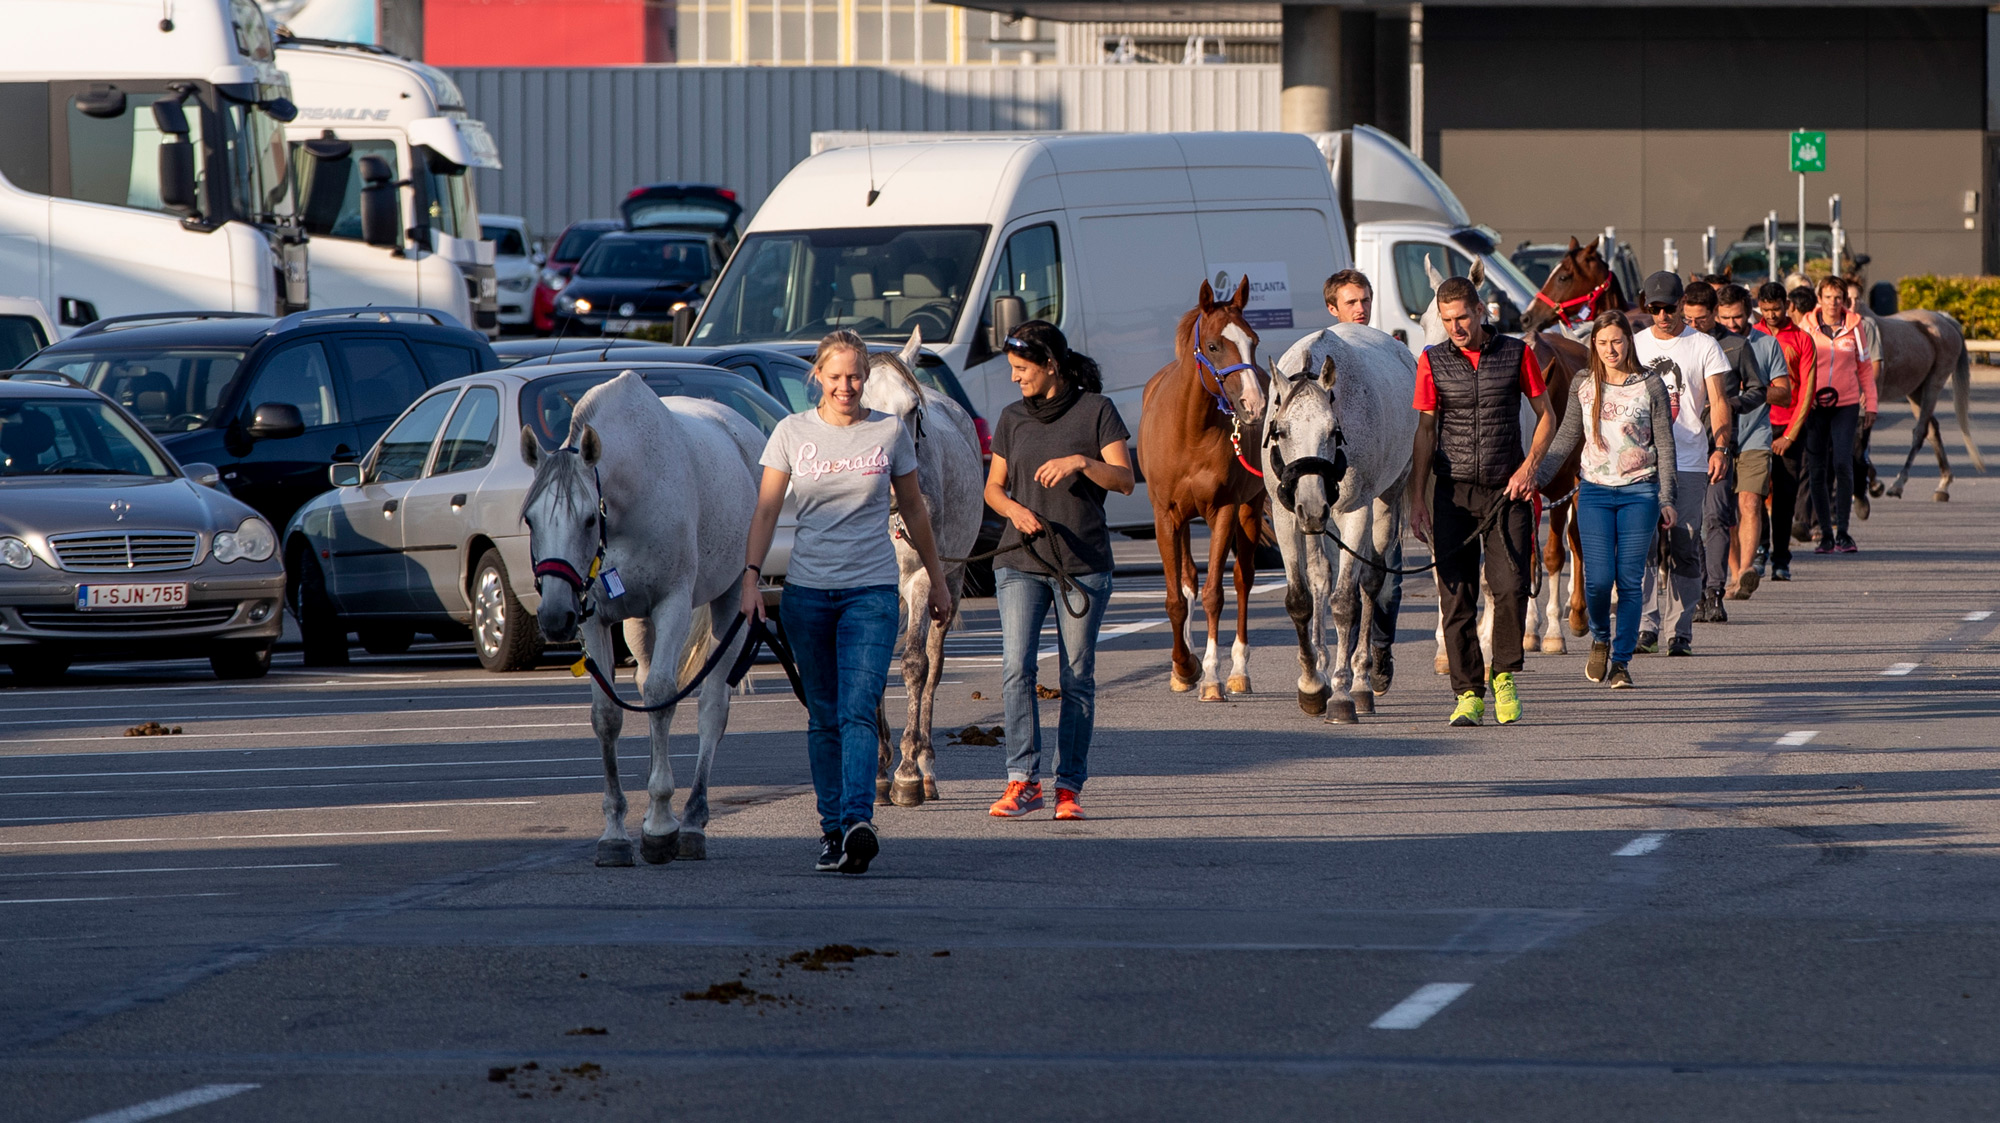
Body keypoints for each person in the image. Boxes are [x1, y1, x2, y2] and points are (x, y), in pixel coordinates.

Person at [742, 329, 953, 875]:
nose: (845, 386)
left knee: (859, 709)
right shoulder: (791, 432)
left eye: (854, 376)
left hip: (870, 593)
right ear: (817, 376)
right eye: (835, 377)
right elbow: (766, 511)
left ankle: (858, 822)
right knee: (824, 719)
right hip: (807, 596)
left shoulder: (887, 432)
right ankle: (831, 830)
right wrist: (749, 578)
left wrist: (939, 578)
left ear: (866, 375)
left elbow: (915, 509)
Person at [981, 320, 1134, 821]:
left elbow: (1126, 480)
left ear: (1050, 365)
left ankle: (1068, 787)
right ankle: (1022, 780)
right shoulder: (1010, 418)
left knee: (1077, 677)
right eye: (1012, 369)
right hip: (1019, 562)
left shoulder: (1097, 411)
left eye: (1021, 369)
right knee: (1015, 669)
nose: (1014, 378)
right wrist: (1012, 511)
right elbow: (994, 488)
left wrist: (1081, 463)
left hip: (1082, 565)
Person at [1408, 276, 1554, 726]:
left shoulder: (1515, 354)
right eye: (1447, 320)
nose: (1456, 327)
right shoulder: (1431, 361)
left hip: (1506, 489)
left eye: (1463, 318)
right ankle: (1467, 692)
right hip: (1452, 492)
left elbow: (1547, 415)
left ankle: (1504, 676)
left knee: (1509, 587)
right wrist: (1417, 498)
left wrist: (1529, 468)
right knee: (1456, 596)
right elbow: (1426, 431)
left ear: (1481, 312)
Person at [1535, 310, 1677, 688]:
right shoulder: (1584, 383)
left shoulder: (1651, 385)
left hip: (1640, 493)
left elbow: (1664, 442)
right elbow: (1565, 439)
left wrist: (1667, 496)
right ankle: (1600, 636)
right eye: (1602, 343)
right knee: (1597, 581)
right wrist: (1534, 480)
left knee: (1629, 581)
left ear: (1628, 342)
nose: (1610, 349)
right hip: (1595, 491)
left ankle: (1621, 661)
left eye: (1617, 341)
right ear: (1593, 346)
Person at [1632, 272, 1731, 657]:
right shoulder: (1635, 346)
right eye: (1654, 309)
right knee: (1641, 545)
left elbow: (1719, 402)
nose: (1662, 316)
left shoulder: (1704, 346)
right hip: (1641, 461)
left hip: (1689, 460)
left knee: (1684, 546)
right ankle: (1645, 626)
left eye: (1669, 308)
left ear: (1681, 305)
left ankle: (1679, 630)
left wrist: (1721, 447)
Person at [1679, 281, 1767, 623]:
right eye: (1687, 317)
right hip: (1680, 444)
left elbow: (1759, 389)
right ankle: (1694, 591)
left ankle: (1714, 593)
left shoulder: (1734, 346)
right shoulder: (1677, 344)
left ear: (1714, 314)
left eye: (1700, 319)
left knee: (1715, 517)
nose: (1693, 324)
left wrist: (1732, 403)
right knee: (1689, 523)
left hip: (1718, 443)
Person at [1795, 275, 1879, 554]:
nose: (1833, 303)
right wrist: (1803, 399)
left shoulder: (1855, 326)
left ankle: (1843, 531)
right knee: (1817, 468)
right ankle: (1824, 535)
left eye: (1838, 298)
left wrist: (1872, 405)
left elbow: (1865, 367)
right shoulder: (1805, 326)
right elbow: (1796, 366)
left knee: (1843, 463)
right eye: (1828, 297)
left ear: (1845, 301)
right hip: (1815, 405)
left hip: (1846, 403)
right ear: (1819, 299)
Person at [1711, 283, 1784, 601]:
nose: (1731, 324)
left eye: (1738, 317)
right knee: (1723, 511)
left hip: (1755, 435)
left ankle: (1744, 573)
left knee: (1750, 503)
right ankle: (1733, 571)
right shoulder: (1710, 345)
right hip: (1717, 439)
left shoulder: (1766, 344)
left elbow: (1784, 391)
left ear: (1749, 312)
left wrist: (1743, 398)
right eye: (1725, 317)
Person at [1755, 281, 1813, 582]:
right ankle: (1759, 550)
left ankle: (1781, 558)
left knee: (1785, 495)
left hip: (1790, 426)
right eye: (1765, 310)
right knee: (1755, 491)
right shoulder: (1752, 336)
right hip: (1756, 426)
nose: (1771, 314)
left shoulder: (1802, 340)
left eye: (1776, 309)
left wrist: (1790, 435)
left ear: (1787, 305)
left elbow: (1805, 392)